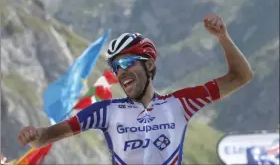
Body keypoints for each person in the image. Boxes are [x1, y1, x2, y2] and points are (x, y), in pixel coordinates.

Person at [17, 14, 254, 164]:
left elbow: (240, 76)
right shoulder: (106, 111)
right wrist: (36, 135)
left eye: (127, 63)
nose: (121, 72)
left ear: (149, 64)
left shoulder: (180, 103)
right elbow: (45, 139)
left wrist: (222, 36)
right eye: (116, 67)